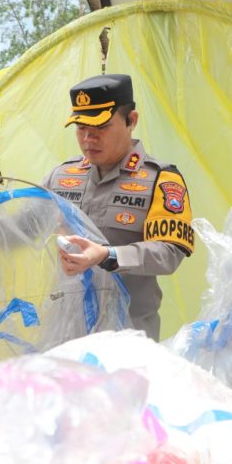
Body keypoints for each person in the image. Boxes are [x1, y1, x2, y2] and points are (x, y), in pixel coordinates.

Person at [42, 74, 194, 341]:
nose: (88, 138)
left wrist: (108, 255)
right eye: (80, 128)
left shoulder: (161, 179)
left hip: (128, 335)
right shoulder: (61, 176)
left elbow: (170, 252)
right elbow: (20, 228)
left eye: (100, 127)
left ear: (131, 120)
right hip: (66, 333)